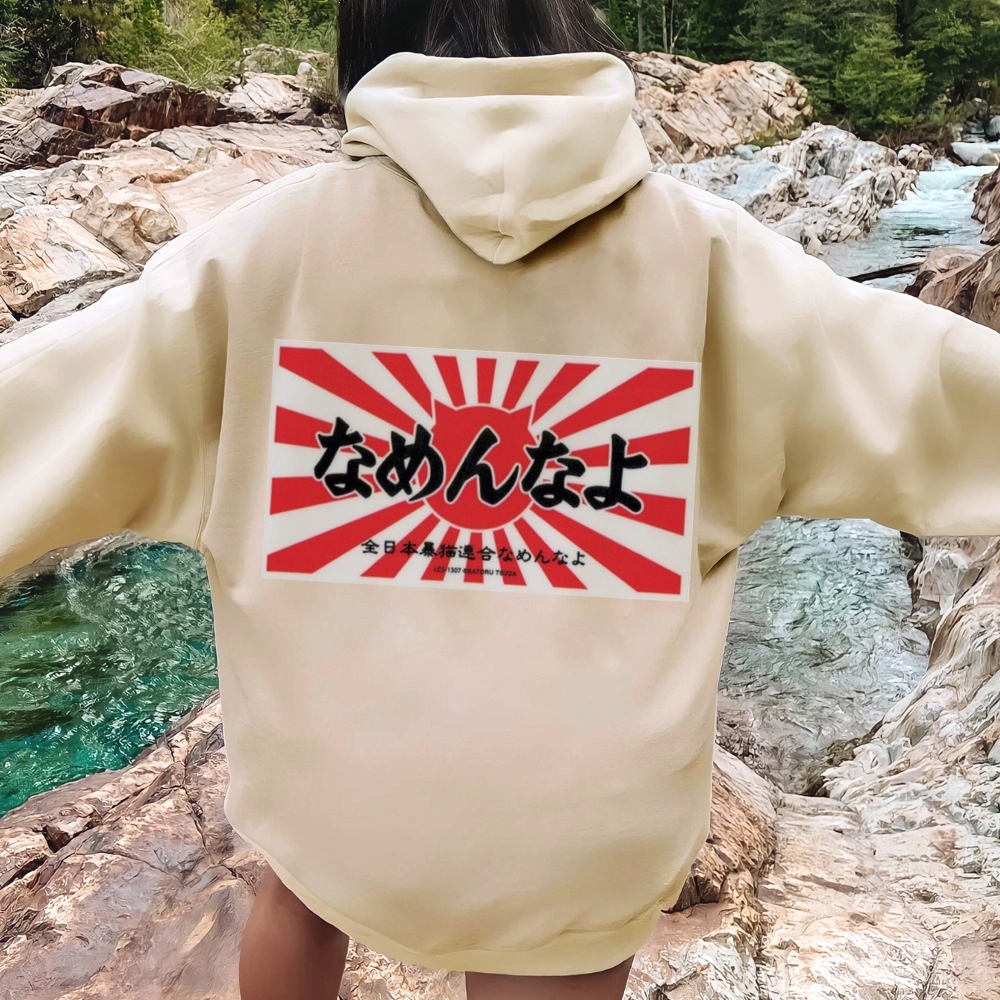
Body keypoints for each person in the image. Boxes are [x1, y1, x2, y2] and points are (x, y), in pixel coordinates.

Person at [1, 0, 999, 997]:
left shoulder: (257, 253)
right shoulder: (719, 264)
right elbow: (935, 392)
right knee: (563, 924)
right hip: (583, 828)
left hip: (342, 802)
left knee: (299, 882)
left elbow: (42, 417)